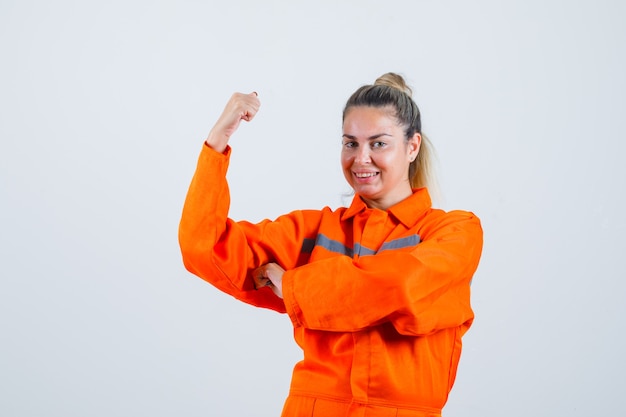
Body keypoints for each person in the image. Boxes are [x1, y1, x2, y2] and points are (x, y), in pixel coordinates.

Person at [179, 73, 483, 417]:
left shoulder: (455, 232)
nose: (361, 158)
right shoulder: (314, 230)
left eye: (378, 143)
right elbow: (204, 248)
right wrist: (217, 142)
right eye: (350, 143)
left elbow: (397, 287)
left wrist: (292, 286)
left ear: (412, 146)